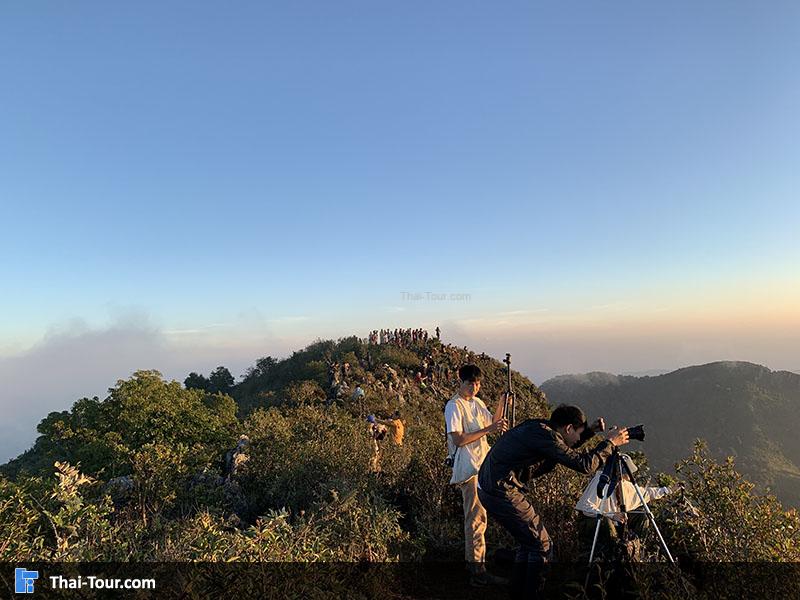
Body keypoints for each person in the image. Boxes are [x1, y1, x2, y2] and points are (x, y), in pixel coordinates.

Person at [477, 405, 629, 598]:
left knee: (529, 544)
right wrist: (610, 442)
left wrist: (589, 431)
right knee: (542, 546)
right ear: (568, 428)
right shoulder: (547, 437)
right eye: (577, 433)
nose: (576, 439)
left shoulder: (540, 428)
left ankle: (518, 592)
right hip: (500, 491)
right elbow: (584, 465)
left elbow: (563, 448)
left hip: (490, 487)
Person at [444, 364, 510, 587]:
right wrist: (488, 431)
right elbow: (459, 439)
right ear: (460, 381)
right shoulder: (454, 406)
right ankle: (477, 571)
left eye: (478, 383)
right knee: (476, 518)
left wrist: (502, 404)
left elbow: (493, 424)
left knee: (480, 518)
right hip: (469, 470)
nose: (475, 387)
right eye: (470, 383)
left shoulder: (478, 403)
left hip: (483, 467)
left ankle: (476, 563)